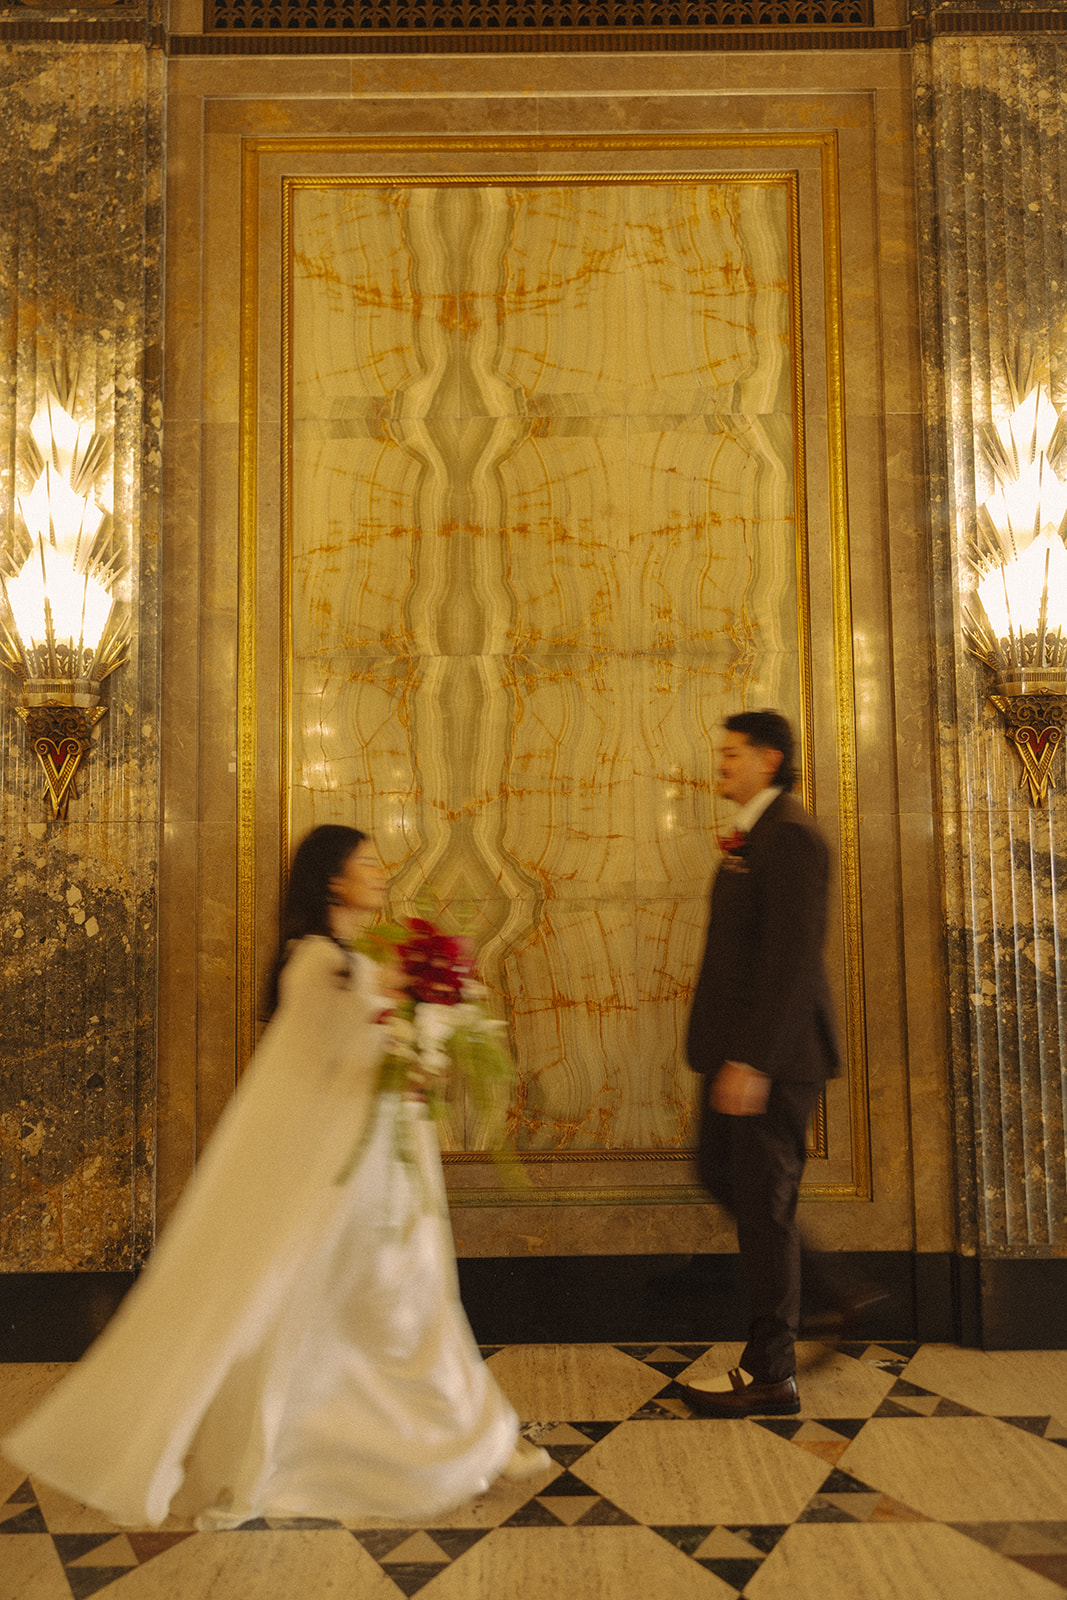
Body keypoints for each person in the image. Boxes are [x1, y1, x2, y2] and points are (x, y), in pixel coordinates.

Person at [4, 824, 547, 1528]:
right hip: (344, 1179)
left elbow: (380, 1062)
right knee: (394, 1305)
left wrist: (427, 1029)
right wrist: (416, 1035)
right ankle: (430, 1443)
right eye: (368, 864)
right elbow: (327, 1080)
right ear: (332, 880)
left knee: (411, 1302)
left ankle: (469, 1435)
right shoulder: (315, 964)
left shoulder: (360, 959)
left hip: (381, 1170)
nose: (381, 874)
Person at [679, 711, 843, 1417]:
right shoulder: (759, 834)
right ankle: (838, 1295)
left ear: (769, 759)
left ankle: (771, 1371)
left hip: (769, 1060)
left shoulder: (793, 838)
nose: (721, 763)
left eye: (732, 753)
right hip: (738, 1054)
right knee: (722, 1176)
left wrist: (753, 1061)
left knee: (764, 1207)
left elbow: (789, 962)